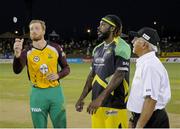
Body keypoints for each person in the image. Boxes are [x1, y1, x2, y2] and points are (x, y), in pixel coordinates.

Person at [75, 14, 131, 128]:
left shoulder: (122, 46)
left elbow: (119, 75)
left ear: (112, 28)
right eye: (99, 24)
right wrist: (82, 98)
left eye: (103, 25)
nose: (98, 27)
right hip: (97, 106)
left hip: (114, 106)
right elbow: (92, 76)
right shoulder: (97, 49)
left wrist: (99, 99)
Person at [13, 20, 70, 128]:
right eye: (31, 29)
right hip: (37, 94)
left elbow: (66, 68)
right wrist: (17, 55)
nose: (33, 31)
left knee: (61, 126)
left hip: (55, 93)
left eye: (36, 28)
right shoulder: (26, 51)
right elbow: (17, 70)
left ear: (43, 31)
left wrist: (58, 75)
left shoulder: (55, 48)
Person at [127, 27, 171, 128]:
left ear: (144, 45)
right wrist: (133, 118)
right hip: (146, 117)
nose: (133, 41)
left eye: (136, 39)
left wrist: (139, 126)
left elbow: (151, 100)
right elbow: (140, 97)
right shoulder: (145, 63)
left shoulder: (150, 65)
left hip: (151, 120)